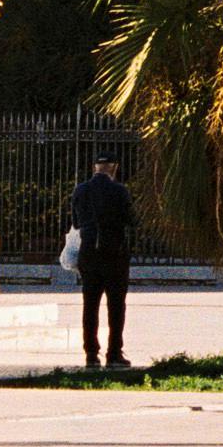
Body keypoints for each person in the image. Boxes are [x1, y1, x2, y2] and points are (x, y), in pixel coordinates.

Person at [72, 155, 136, 372]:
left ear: (94, 168)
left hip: (88, 252)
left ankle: (91, 353)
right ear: (114, 169)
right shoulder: (119, 191)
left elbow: (74, 221)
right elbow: (130, 219)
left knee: (90, 304)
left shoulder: (80, 190)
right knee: (116, 306)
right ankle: (114, 353)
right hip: (113, 252)